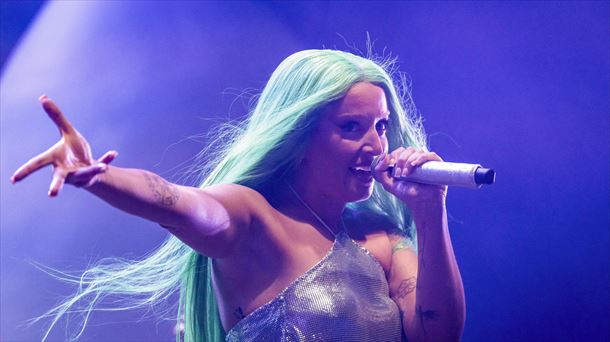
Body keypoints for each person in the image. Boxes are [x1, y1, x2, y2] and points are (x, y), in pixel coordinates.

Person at [12, 49, 465, 341]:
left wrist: (430, 211)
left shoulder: (381, 238)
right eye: (351, 128)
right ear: (300, 135)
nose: (376, 145)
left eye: (381, 126)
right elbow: (175, 201)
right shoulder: (253, 218)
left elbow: (437, 335)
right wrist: (97, 177)